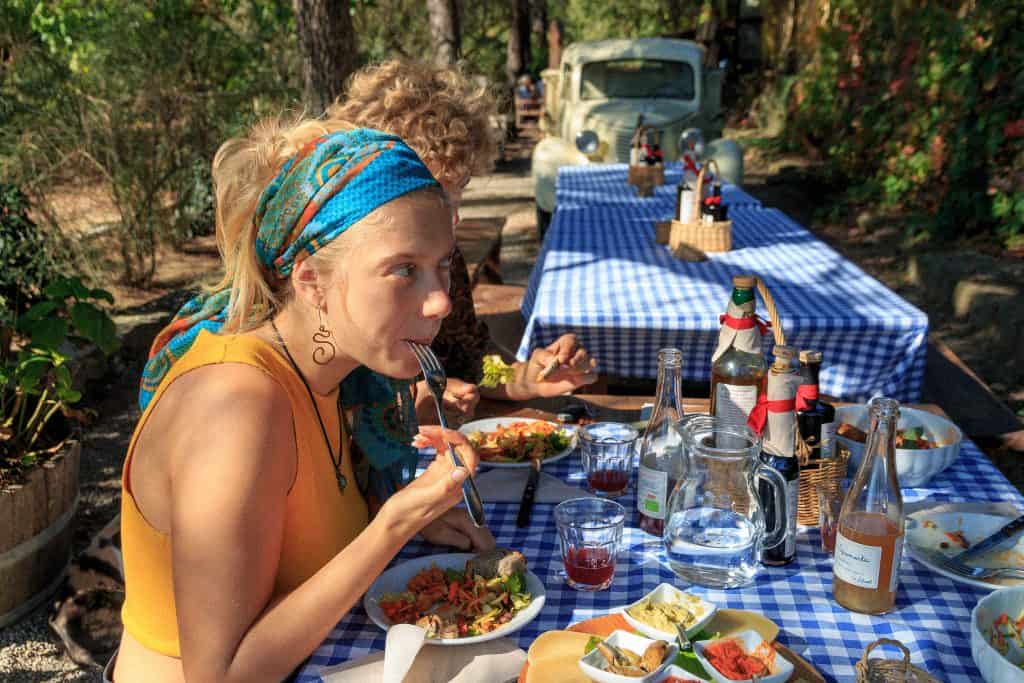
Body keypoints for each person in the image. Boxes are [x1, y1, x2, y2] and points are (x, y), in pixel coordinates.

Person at [115, 125, 491, 682]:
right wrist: (390, 526)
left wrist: (414, 522)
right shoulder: (236, 403)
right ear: (311, 280)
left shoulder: (343, 377)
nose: (439, 300)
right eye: (403, 270)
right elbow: (220, 677)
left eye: (441, 265)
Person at [326, 60, 598, 426]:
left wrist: (527, 377)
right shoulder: (328, 272)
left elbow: (472, 360)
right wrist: (402, 408)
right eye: (437, 198)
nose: (453, 220)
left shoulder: (442, 258)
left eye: (458, 196)